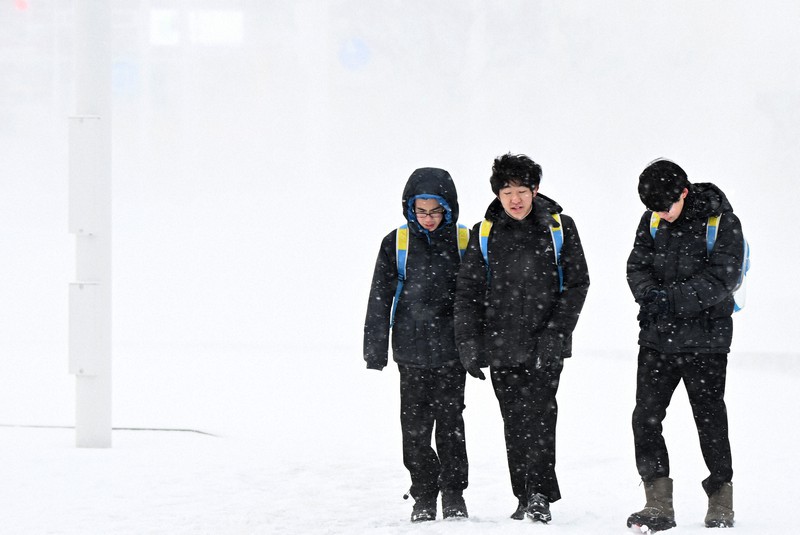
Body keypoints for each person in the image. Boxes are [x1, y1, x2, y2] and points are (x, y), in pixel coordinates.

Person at [454, 153, 590, 523]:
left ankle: (540, 493)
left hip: (546, 345)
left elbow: (578, 283)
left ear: (536, 190)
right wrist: (468, 343)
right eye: (507, 191)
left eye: (522, 191)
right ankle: (524, 493)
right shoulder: (484, 233)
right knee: (514, 421)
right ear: (498, 194)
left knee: (542, 417)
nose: (515, 199)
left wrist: (556, 333)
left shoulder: (560, 228)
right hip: (501, 346)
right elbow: (468, 292)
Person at [626, 158, 744, 531]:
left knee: (709, 421)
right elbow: (636, 267)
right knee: (645, 419)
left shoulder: (721, 222)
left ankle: (720, 499)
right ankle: (658, 503)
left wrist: (670, 299)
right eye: (653, 208)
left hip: (706, 343)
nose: (661, 214)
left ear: (684, 192)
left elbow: (723, 277)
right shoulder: (652, 220)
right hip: (657, 341)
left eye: (666, 206)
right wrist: (650, 297)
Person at [363, 167, 469, 523]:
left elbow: (477, 299)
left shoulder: (464, 241)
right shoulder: (396, 243)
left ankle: (454, 491)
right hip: (409, 351)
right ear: (410, 209)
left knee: (451, 423)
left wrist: (477, 346)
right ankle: (424, 492)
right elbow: (380, 298)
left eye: (435, 212)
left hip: (452, 352)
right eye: (421, 211)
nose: (428, 219)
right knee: (415, 428)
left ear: (449, 209)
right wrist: (375, 349)